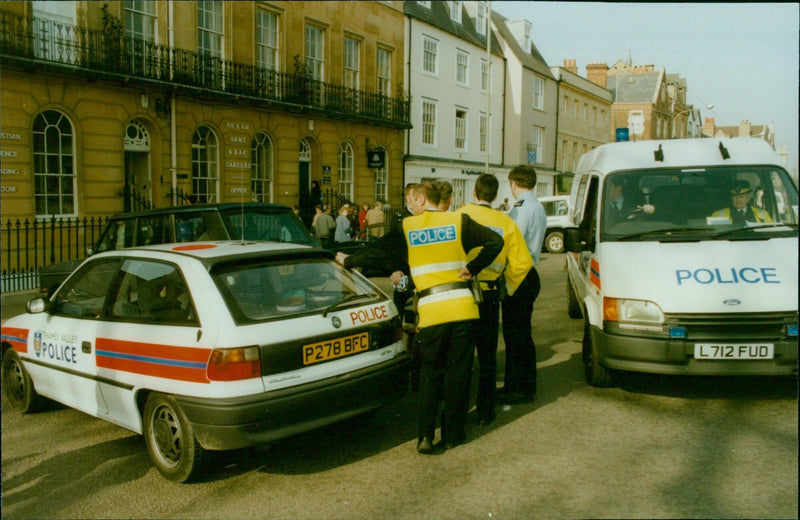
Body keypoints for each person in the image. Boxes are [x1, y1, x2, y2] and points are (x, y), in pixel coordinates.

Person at [336, 182, 503, 454]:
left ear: (423, 199)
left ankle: (425, 436)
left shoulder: (408, 227)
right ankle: (453, 434)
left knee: (429, 374)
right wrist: (472, 268)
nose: (409, 206)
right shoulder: (459, 221)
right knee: (459, 374)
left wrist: (348, 261)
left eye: (411, 200)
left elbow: (378, 250)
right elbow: (496, 242)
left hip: (433, 310)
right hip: (463, 309)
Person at [458, 174, 533, 426]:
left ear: (474, 193)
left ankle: (457, 412)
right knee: (488, 355)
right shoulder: (505, 221)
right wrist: (508, 287)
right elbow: (522, 262)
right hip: (489, 294)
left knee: (461, 355)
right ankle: (485, 412)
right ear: (494, 195)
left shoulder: (459, 216)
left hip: (461, 291)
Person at [499, 165, 547, 405]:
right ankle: (520, 385)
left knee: (515, 336)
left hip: (518, 275)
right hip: (530, 273)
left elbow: (510, 242)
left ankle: (519, 388)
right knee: (522, 335)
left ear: (514, 184)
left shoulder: (520, 209)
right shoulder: (537, 207)